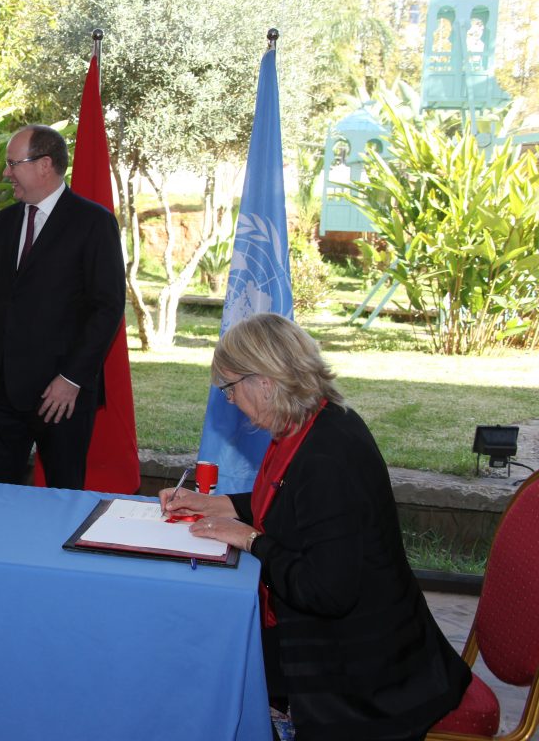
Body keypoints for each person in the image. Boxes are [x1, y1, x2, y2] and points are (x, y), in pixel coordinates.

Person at [160, 313, 470, 741]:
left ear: (264, 381)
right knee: (211, 649)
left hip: (366, 672)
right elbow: (294, 505)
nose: (231, 402)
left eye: (231, 389)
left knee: (206, 666)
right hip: (360, 637)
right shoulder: (318, 422)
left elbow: (326, 592)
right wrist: (221, 503)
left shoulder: (326, 457)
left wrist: (252, 540)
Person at [0, 124, 125, 490]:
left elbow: (107, 308)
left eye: (13, 163)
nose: (6, 172)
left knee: (62, 502)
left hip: (60, 396)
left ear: (45, 165)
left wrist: (72, 378)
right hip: (2, 391)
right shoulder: (3, 223)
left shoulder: (94, 223)